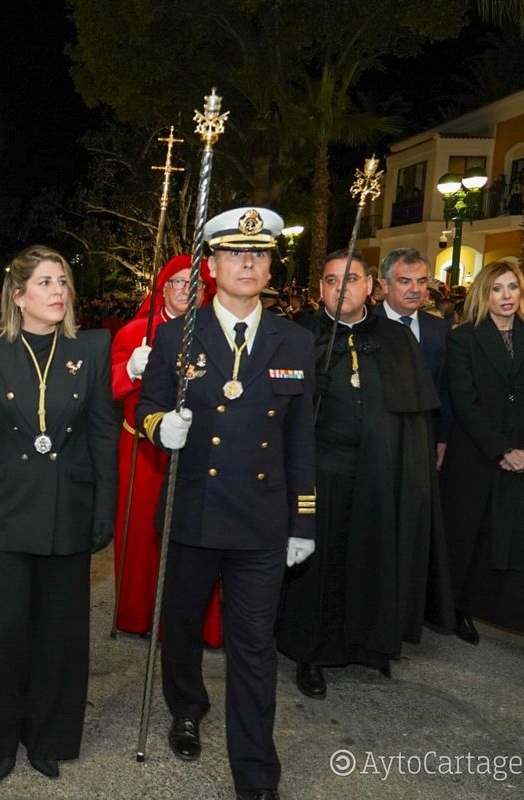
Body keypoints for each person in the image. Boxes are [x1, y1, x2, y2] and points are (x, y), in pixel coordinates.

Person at [135, 207, 315, 800]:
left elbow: (300, 441)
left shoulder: (296, 340)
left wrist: (303, 520)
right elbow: (146, 407)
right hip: (193, 511)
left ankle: (256, 772)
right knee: (183, 626)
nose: (247, 263)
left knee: (254, 647)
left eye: (258, 254)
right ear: (210, 266)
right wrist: (160, 427)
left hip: (262, 521)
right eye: (235, 253)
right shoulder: (176, 335)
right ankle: (186, 708)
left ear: (269, 268)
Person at [0, 245, 116, 783]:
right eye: (45, 282)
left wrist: (105, 507)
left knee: (58, 634)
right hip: (4, 512)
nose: (58, 291)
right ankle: (1, 741)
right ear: (18, 296)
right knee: (5, 632)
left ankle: (48, 737)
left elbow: (103, 434)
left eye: (62, 281)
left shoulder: (90, 348)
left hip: (68, 509)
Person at [276, 250, 453, 699]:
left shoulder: (395, 338)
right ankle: (311, 653)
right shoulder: (298, 335)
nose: (341, 289)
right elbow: (276, 410)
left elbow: (413, 418)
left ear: (370, 286)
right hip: (322, 469)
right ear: (320, 288)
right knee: (320, 564)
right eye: (331, 281)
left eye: (351, 279)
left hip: (379, 467)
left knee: (373, 554)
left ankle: (369, 645)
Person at [441, 260, 524, 675]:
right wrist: (501, 450)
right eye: (497, 288)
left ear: (523, 292)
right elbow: (465, 402)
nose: (506, 296)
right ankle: (463, 609)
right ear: (484, 294)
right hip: (480, 455)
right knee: (476, 537)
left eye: (513, 287)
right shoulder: (463, 338)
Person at [109, 254, 222, 644]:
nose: (186, 290)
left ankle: (196, 623)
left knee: (198, 535)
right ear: (163, 288)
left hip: (199, 450)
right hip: (144, 449)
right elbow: (106, 387)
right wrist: (129, 369)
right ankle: (139, 615)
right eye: (178, 282)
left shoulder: (219, 333)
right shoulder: (135, 332)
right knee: (142, 534)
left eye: (196, 284)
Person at [373, 248, 452, 468]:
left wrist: (443, 438)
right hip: (376, 442)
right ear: (385, 285)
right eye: (405, 281)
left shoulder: (440, 329)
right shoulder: (365, 327)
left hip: (426, 441)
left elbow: (447, 388)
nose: (415, 289)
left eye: (422, 281)